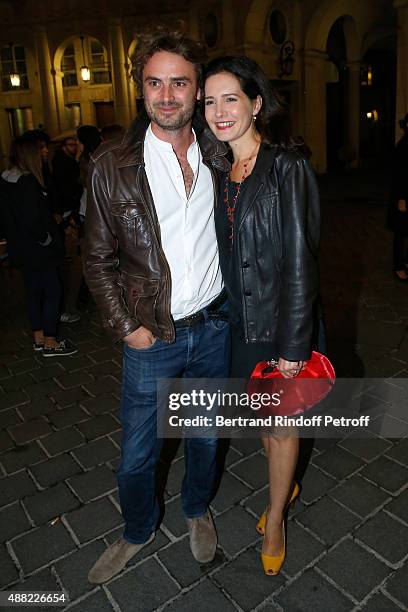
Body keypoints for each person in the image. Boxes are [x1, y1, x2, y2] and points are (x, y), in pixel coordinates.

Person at [83, 30, 230, 584]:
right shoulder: (111, 164)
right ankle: (137, 529)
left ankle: (196, 510)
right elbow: (96, 260)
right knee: (136, 458)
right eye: (154, 82)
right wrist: (129, 330)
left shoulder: (220, 150)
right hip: (152, 337)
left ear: (197, 89)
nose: (166, 96)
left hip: (214, 328)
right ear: (140, 86)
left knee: (206, 437)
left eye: (179, 82)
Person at [204, 56, 320, 575]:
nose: (219, 110)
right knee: (260, 421)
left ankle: (276, 516)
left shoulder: (286, 167)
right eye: (209, 100)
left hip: (279, 324)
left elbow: (302, 259)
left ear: (255, 103)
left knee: (279, 427)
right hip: (237, 324)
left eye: (231, 98)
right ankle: (285, 477)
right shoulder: (218, 173)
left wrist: (294, 346)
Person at [0, 135, 78, 357]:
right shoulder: (27, 182)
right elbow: (33, 219)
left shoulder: (6, 180)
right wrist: (47, 239)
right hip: (38, 249)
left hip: (21, 248)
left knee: (34, 291)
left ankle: (39, 336)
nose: (45, 152)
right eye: (41, 149)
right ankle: (51, 341)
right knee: (53, 291)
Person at [388, 113, 408, 281]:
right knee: (400, 231)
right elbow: (399, 174)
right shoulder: (403, 146)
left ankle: (406, 262)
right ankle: (398, 266)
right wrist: (402, 198)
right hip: (403, 195)